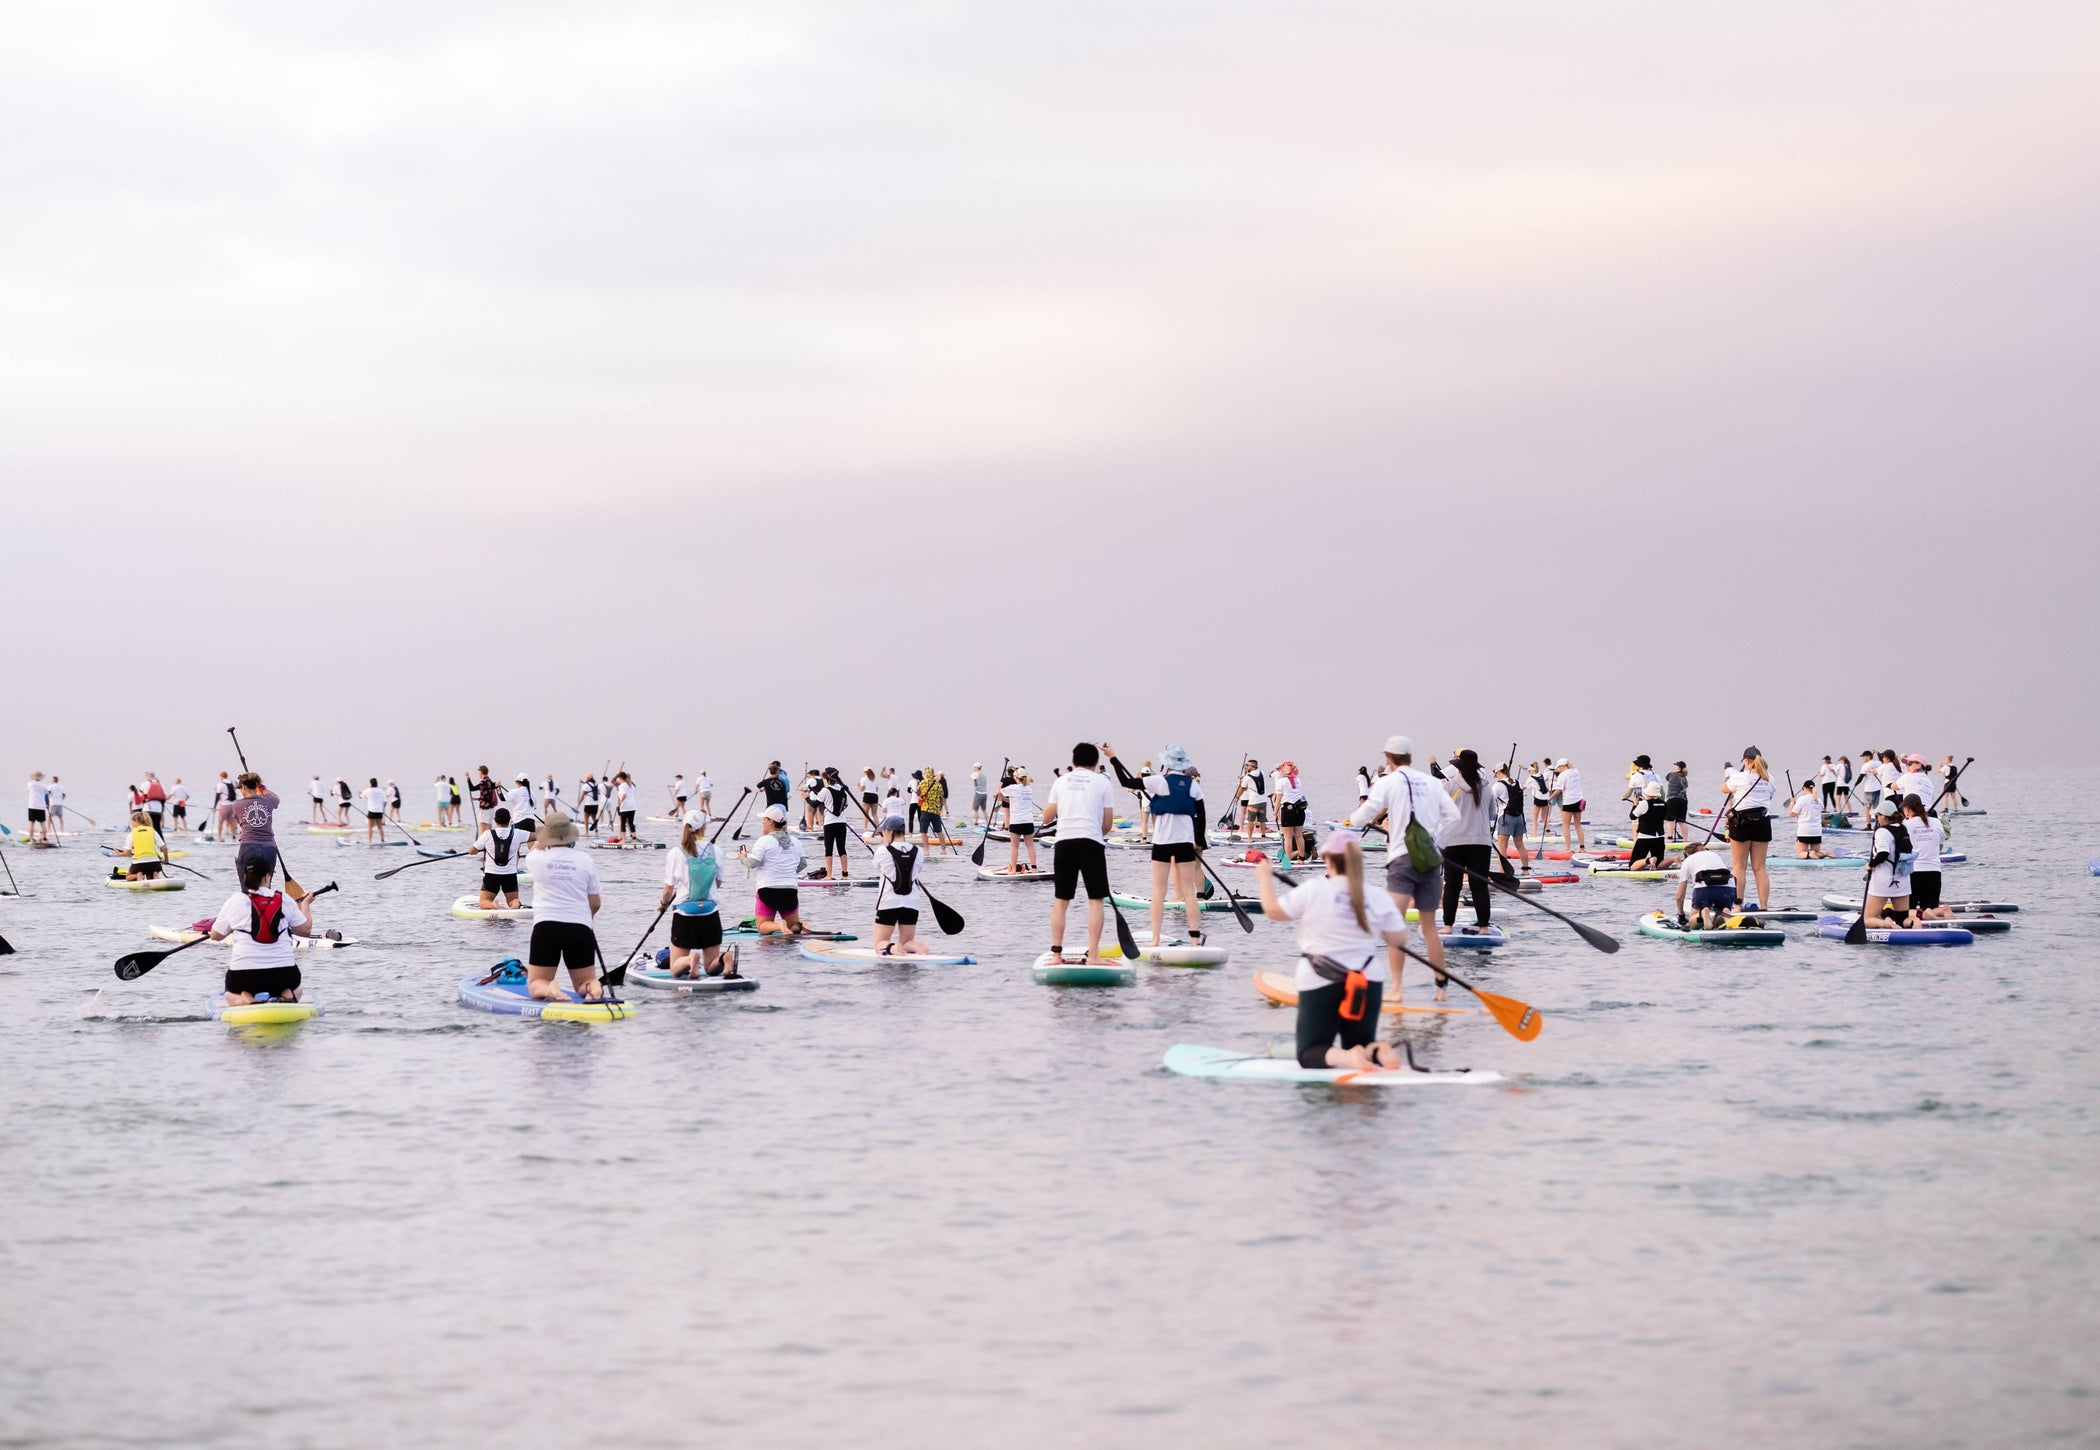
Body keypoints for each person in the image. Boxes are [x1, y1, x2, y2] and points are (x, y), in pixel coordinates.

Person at [1251, 833, 1415, 1072]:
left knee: (1309, 1053)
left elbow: (1273, 911)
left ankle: (1349, 1058)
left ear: (1327, 859)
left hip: (1320, 977)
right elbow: (1398, 939)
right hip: (1367, 979)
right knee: (1361, 1041)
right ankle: (1376, 1050)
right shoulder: (1376, 895)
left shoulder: (1314, 888)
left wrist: (1264, 879)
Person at [1345, 735, 1455, 982]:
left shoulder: (1388, 782)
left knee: (1396, 924)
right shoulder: (1431, 783)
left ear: (1388, 758)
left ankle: (1396, 987)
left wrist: (1352, 820)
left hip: (1402, 859)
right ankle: (1441, 987)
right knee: (1430, 929)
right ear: (1410, 757)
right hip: (1430, 859)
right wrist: (1437, 843)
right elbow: (1453, 817)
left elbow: (1361, 817)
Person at [1108, 744, 1207, 948]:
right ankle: (1195, 940)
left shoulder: (1158, 781)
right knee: (1189, 893)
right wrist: (1198, 841)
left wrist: (1113, 758)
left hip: (1162, 844)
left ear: (1166, 763)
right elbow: (1202, 816)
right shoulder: (1193, 786)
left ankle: (1155, 939)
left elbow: (1126, 782)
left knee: (1158, 892)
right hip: (1185, 844)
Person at [1040, 742, 1117, 965]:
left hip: (1064, 842)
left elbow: (1046, 817)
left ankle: (1056, 955)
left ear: (1074, 761)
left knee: (1061, 901)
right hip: (1091, 842)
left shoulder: (1061, 781)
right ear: (1096, 762)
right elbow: (1107, 824)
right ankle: (1093, 956)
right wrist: (1094, 831)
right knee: (1096, 901)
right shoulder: (1103, 782)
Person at [208, 854, 317, 1005]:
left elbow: (215, 936)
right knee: (298, 989)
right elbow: (305, 931)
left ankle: (246, 997)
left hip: (244, 975)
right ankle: (286, 994)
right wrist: (305, 904)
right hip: (284, 973)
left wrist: (234, 927)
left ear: (245, 877)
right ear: (267, 877)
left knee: (230, 994)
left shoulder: (235, 901)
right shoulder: (284, 899)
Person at [523, 814, 607, 1002]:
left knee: (535, 983)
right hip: (579, 927)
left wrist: (543, 839)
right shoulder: (585, 860)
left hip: (546, 926)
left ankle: (549, 988)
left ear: (547, 836)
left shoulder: (536, 859)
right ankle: (594, 987)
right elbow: (595, 903)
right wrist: (586, 920)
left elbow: (536, 847)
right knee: (583, 983)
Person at [660, 811, 737, 978]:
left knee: (675, 968)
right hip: (710, 913)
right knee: (710, 966)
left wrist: (663, 905)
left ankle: (690, 961)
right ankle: (724, 958)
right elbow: (717, 883)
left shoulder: (675, 853)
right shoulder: (716, 850)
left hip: (685, 914)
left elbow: (668, 890)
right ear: (704, 827)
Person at [1438, 749, 1498, 933]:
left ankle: (1447, 926)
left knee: (1452, 886)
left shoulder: (1449, 787)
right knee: (1479, 886)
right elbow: (1492, 814)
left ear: (1459, 768)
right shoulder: (1486, 787)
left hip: (1454, 842)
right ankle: (1484, 928)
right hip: (1481, 843)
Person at [230, 772, 303, 900]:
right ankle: (266, 909)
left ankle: (249, 910)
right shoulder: (268, 800)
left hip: (248, 847)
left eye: (240, 788)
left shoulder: (237, 805)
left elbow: (238, 823)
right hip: (269, 848)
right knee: (265, 888)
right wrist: (261, 788)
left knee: (247, 890)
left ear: (244, 787)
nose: (240, 791)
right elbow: (277, 798)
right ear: (257, 785)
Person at [869, 815, 932, 956]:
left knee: (879, 942)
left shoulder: (882, 850)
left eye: (883, 832)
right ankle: (916, 946)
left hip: (888, 902)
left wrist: (884, 844)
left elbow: (876, 866)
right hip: (912, 902)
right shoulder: (918, 851)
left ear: (889, 832)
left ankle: (893, 948)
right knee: (907, 941)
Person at [742, 804, 807, 937]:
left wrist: (742, 858)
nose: (762, 822)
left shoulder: (763, 841)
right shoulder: (795, 841)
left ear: (770, 821)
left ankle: (779, 925)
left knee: (762, 926)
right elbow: (803, 864)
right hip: (790, 890)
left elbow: (752, 863)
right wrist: (787, 872)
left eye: (764, 819)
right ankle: (802, 925)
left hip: (767, 890)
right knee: (793, 926)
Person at [1722, 749, 1776, 909]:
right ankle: (1764, 906)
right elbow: (1769, 796)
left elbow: (1724, 788)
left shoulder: (1740, 776)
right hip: (1763, 821)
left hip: (1742, 822)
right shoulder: (1769, 778)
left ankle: (1737, 906)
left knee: (1739, 866)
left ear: (1746, 761)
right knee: (1760, 867)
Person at [1861, 796, 1915, 925]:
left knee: (1867, 920)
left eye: (1878, 815)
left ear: (1884, 816)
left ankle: (1886, 923)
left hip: (1883, 881)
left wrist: (1870, 865)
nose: (1877, 818)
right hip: (1902, 880)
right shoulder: (1903, 828)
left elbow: (1883, 853)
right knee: (1903, 920)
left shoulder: (1882, 832)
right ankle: (1913, 923)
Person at [1901, 794, 1949, 922]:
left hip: (1913, 873)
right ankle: (1943, 913)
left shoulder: (1906, 825)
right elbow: (1939, 847)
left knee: (1908, 912)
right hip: (1934, 872)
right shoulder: (1937, 822)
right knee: (1931, 911)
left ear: (1907, 809)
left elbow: (1902, 850)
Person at [1673, 837, 1738, 929]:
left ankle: (1702, 914)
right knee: (1718, 925)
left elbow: (1679, 896)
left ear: (1687, 854)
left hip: (1704, 887)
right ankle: (1724, 912)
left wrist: (1681, 915)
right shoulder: (1714, 854)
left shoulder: (1687, 861)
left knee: (1693, 923)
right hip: (1728, 886)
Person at [469, 807, 525, 910]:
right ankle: (515, 902)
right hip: (510, 875)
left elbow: (471, 851)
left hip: (492, 875)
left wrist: (482, 848)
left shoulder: (487, 834)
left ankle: (493, 905)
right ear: (509, 820)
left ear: (495, 820)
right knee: (511, 900)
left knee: (484, 903)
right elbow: (536, 835)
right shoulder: (517, 833)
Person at [815, 767, 855, 881]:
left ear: (827, 779)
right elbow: (845, 805)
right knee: (842, 848)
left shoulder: (825, 790)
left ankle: (828, 875)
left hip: (830, 823)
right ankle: (844, 875)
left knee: (829, 849)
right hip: (842, 822)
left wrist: (807, 797)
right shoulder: (843, 790)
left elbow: (815, 804)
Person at [1000, 768, 1042, 874]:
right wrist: (1005, 799)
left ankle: (1014, 869)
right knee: (1030, 845)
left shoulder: (1013, 788)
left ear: (1017, 777)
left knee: (1014, 846)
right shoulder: (1029, 789)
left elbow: (999, 792)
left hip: (1016, 821)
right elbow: (1016, 800)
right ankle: (1034, 868)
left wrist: (999, 785)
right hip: (1028, 821)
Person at [1492, 765, 1530, 874]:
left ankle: (1503, 872)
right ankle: (1526, 870)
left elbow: (1490, 800)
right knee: (1520, 844)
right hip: (1519, 817)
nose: (1496, 777)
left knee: (1502, 846)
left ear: (1499, 773)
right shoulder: (1517, 782)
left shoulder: (1498, 785)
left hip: (1506, 817)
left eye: (1496, 774)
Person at [1626, 782, 1670, 871]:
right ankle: (1674, 859)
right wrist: (1645, 801)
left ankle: (1649, 860)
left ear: (1648, 793)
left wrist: (1635, 804)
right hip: (1659, 838)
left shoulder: (1644, 804)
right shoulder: (1664, 804)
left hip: (1645, 837)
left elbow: (1632, 816)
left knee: (1632, 866)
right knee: (1658, 865)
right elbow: (1654, 807)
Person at [1272, 761, 1309, 861]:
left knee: (1287, 837)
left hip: (1288, 810)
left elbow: (1278, 799)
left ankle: (1287, 859)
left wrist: (1275, 813)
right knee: (1299, 836)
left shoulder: (1281, 782)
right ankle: (1301, 858)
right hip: (1300, 810)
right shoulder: (1298, 780)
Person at [1788, 779, 1831, 858]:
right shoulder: (1819, 800)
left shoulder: (1802, 799)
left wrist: (1792, 802)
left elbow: (1791, 814)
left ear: (1805, 788)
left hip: (1805, 831)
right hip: (1817, 831)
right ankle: (1825, 853)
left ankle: (1810, 854)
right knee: (1816, 852)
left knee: (1800, 854)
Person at [117, 810, 163, 881]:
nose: (131, 824)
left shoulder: (132, 833)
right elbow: (164, 848)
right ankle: (155, 874)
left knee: (128, 877)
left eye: (132, 821)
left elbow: (127, 853)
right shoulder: (153, 831)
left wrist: (119, 854)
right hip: (154, 863)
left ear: (136, 821)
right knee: (152, 874)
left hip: (138, 864)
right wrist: (165, 860)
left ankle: (138, 874)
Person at [1552, 757, 1586, 853]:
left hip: (1569, 801)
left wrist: (1550, 798)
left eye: (1559, 767)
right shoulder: (1576, 771)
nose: (1559, 769)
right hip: (1579, 800)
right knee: (1578, 825)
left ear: (1563, 766)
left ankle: (1568, 848)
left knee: (1566, 825)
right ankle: (1582, 848)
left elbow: (1558, 790)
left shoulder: (1562, 776)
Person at [916, 766, 948, 849]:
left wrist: (921, 793)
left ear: (926, 774)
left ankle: (926, 850)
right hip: (935, 811)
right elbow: (941, 798)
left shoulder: (923, 783)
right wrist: (940, 808)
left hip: (925, 810)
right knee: (939, 831)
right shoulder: (938, 785)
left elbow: (918, 792)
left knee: (923, 832)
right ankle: (943, 849)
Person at [24, 772, 51, 845]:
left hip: (32, 806)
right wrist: (47, 804)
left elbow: (28, 791)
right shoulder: (44, 786)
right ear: (41, 778)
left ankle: (31, 840)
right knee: (42, 823)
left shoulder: (29, 784)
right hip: (41, 807)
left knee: (31, 823)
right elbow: (46, 796)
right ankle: (45, 838)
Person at [212, 771, 239, 842]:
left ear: (221, 777)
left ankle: (218, 838)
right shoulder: (232, 782)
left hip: (224, 805)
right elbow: (237, 785)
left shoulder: (220, 784)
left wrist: (214, 806)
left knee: (220, 822)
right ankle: (234, 839)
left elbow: (217, 796)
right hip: (233, 805)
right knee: (232, 822)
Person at [362, 777, 390, 844]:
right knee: (380, 827)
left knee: (370, 827)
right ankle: (382, 840)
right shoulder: (381, 791)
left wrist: (359, 793)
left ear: (370, 783)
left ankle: (370, 842)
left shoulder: (368, 790)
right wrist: (382, 809)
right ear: (377, 783)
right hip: (379, 811)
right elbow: (385, 802)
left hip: (371, 811)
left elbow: (361, 797)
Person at [142, 772, 167, 839]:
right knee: (157, 828)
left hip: (148, 808)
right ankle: (162, 844)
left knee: (146, 827)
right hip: (158, 810)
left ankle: (146, 842)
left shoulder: (146, 783)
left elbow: (141, 792)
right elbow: (165, 796)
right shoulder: (160, 785)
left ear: (147, 777)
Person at [613, 772, 638, 836]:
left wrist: (619, 803)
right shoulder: (632, 785)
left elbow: (624, 795)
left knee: (622, 822)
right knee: (630, 822)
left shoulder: (622, 786)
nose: (617, 779)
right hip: (632, 806)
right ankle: (633, 836)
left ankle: (621, 837)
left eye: (618, 778)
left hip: (624, 806)